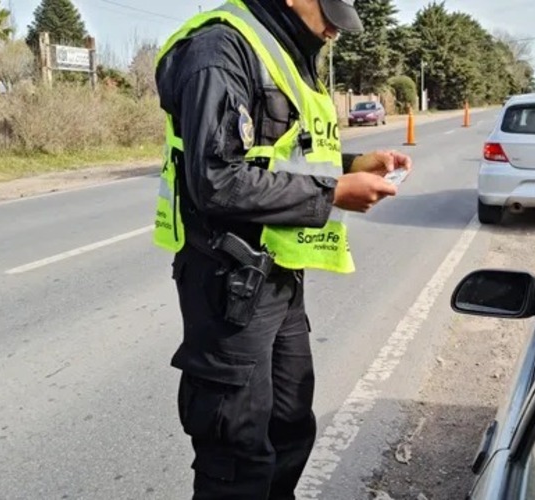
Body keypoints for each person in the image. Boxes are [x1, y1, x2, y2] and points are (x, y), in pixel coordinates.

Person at [152, 0, 413, 498]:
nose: (337, 27)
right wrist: (334, 193)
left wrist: (358, 161)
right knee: (237, 451)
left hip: (278, 276)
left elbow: (286, 149)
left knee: (290, 424)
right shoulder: (220, 50)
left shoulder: (284, 49)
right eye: (331, 12)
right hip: (228, 281)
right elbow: (215, 180)